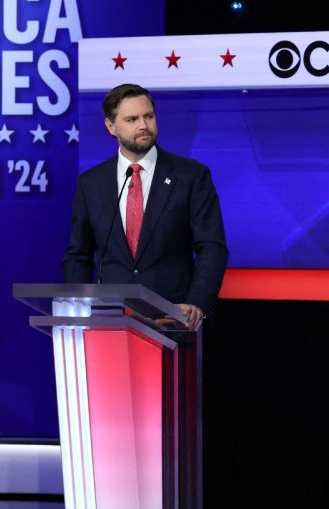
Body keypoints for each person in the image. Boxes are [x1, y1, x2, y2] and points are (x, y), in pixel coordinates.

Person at [63, 83, 228, 330]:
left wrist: (196, 304)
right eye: (131, 119)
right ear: (111, 126)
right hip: (109, 323)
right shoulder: (91, 184)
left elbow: (212, 247)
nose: (143, 125)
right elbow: (78, 256)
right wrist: (78, 307)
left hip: (175, 320)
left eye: (148, 116)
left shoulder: (191, 176)